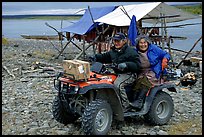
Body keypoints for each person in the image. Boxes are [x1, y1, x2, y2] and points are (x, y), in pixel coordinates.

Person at [89, 32, 141, 110]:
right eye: (115, 41)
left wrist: (127, 64)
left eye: (118, 41)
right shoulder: (113, 51)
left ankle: (125, 106)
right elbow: (104, 57)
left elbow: (137, 65)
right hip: (116, 73)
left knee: (117, 85)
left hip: (129, 74)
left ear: (124, 41)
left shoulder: (131, 51)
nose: (116, 43)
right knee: (101, 81)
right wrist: (95, 57)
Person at [131, 35, 171, 108]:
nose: (143, 45)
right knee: (136, 82)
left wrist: (165, 60)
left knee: (145, 81)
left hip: (154, 71)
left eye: (145, 42)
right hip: (141, 71)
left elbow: (166, 54)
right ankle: (133, 101)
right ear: (138, 44)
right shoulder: (135, 51)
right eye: (141, 43)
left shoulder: (154, 49)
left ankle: (139, 102)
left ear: (148, 43)